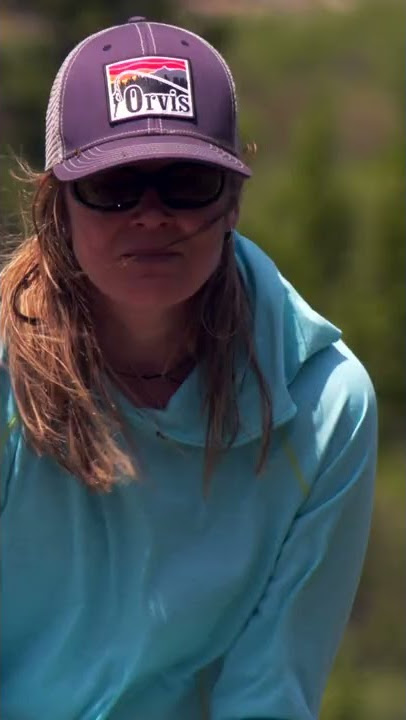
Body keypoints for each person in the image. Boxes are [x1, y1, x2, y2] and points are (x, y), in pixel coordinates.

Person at [0, 16, 377, 720]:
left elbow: (270, 691)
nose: (151, 216)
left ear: (232, 200)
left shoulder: (326, 404)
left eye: (187, 183)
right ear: (58, 203)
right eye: (114, 186)